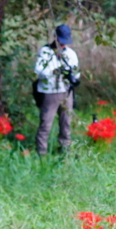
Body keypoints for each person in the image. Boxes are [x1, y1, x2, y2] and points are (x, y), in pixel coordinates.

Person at [34, 24, 81, 156]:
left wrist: (71, 75)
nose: (63, 44)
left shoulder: (71, 54)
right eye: (61, 41)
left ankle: (65, 151)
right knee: (45, 124)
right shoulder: (45, 52)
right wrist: (55, 71)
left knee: (66, 123)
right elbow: (39, 71)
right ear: (55, 38)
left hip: (66, 91)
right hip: (50, 93)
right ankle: (41, 153)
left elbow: (76, 73)